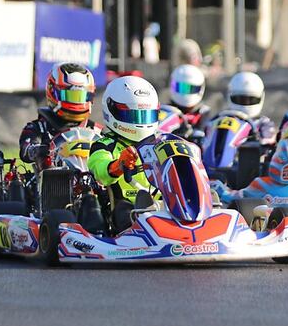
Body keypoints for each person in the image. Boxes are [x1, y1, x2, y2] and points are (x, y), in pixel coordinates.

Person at [88, 76, 160, 233]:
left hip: (162, 204)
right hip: (128, 210)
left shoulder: (159, 144)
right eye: (134, 116)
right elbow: (100, 171)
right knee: (124, 211)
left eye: (146, 115)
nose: (141, 123)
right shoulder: (104, 145)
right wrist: (118, 165)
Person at [19, 63, 100, 164]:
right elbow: (25, 151)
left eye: (81, 96)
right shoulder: (39, 127)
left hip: (89, 173)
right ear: (52, 92)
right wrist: (36, 150)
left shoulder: (96, 130)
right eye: (70, 96)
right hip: (52, 173)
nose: (76, 102)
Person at [214, 71, 276, 147]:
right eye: (240, 99)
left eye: (251, 99)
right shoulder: (220, 120)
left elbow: (268, 142)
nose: (246, 103)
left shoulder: (264, 123)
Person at [166, 64, 211, 138]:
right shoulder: (167, 111)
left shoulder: (204, 113)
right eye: (181, 88)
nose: (185, 93)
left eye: (191, 89)